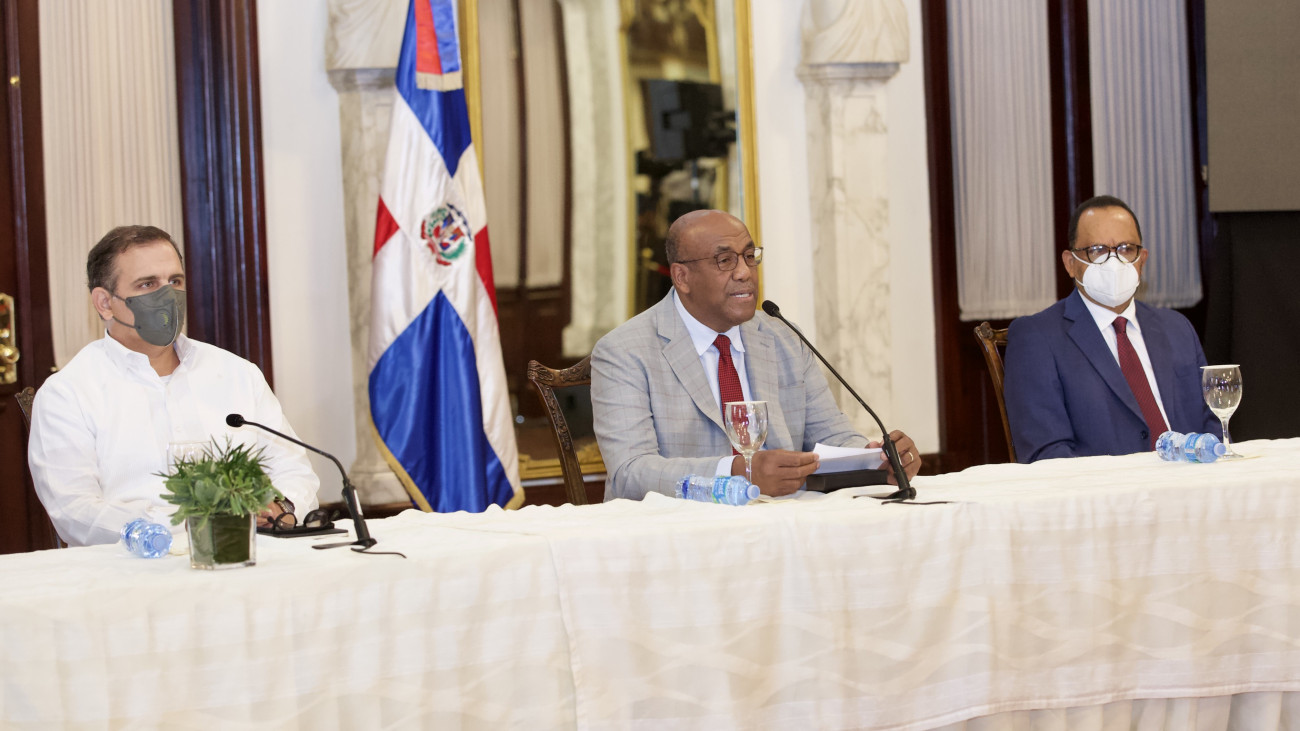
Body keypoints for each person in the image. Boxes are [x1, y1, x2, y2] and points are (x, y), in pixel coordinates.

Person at [591, 209, 922, 500]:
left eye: (750, 256)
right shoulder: (625, 351)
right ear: (682, 277)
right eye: (725, 260)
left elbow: (831, 435)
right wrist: (739, 472)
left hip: (783, 519)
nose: (744, 272)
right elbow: (631, 472)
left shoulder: (783, 338)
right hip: (678, 530)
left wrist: (875, 458)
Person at [28, 225, 320, 546]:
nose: (167, 296)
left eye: (175, 281)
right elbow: (76, 513)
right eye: (148, 284)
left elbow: (294, 470)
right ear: (105, 303)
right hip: (133, 566)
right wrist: (195, 525)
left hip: (250, 553)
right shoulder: (68, 393)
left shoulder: (238, 374)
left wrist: (281, 507)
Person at [1003, 196, 1219, 463]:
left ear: (1142, 260)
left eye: (1126, 249)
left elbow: (1212, 423)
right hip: (1103, 488)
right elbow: (1047, 454)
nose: (1113, 262)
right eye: (1097, 250)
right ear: (1070, 263)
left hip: (1190, 482)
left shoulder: (1177, 328)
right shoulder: (1037, 337)